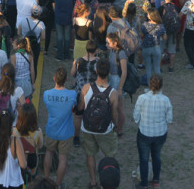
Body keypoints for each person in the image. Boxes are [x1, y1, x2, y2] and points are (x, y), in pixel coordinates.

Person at [80, 58, 123, 189]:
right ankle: (108, 180)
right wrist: (115, 126)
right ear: (109, 73)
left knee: (90, 154)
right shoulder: (113, 93)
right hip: (105, 130)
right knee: (110, 155)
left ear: (96, 71)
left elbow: (81, 107)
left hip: (87, 128)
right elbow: (114, 115)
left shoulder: (86, 88)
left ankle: (93, 182)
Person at [132, 74, 172, 189]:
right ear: (161, 85)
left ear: (150, 85)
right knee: (156, 156)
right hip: (160, 134)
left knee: (144, 159)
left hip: (144, 133)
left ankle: (144, 184)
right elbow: (169, 119)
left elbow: (136, 117)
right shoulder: (166, 100)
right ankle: (156, 181)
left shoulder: (142, 98)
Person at [43, 66, 77, 187]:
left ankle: (46, 181)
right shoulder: (72, 94)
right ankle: (58, 184)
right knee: (62, 158)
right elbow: (74, 109)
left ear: (54, 79)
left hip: (52, 129)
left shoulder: (46, 94)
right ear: (66, 79)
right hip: (66, 132)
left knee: (49, 153)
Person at [12, 102, 43, 183]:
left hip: (18, 162)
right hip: (32, 162)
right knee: (32, 181)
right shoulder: (38, 132)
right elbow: (40, 146)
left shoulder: (14, 132)